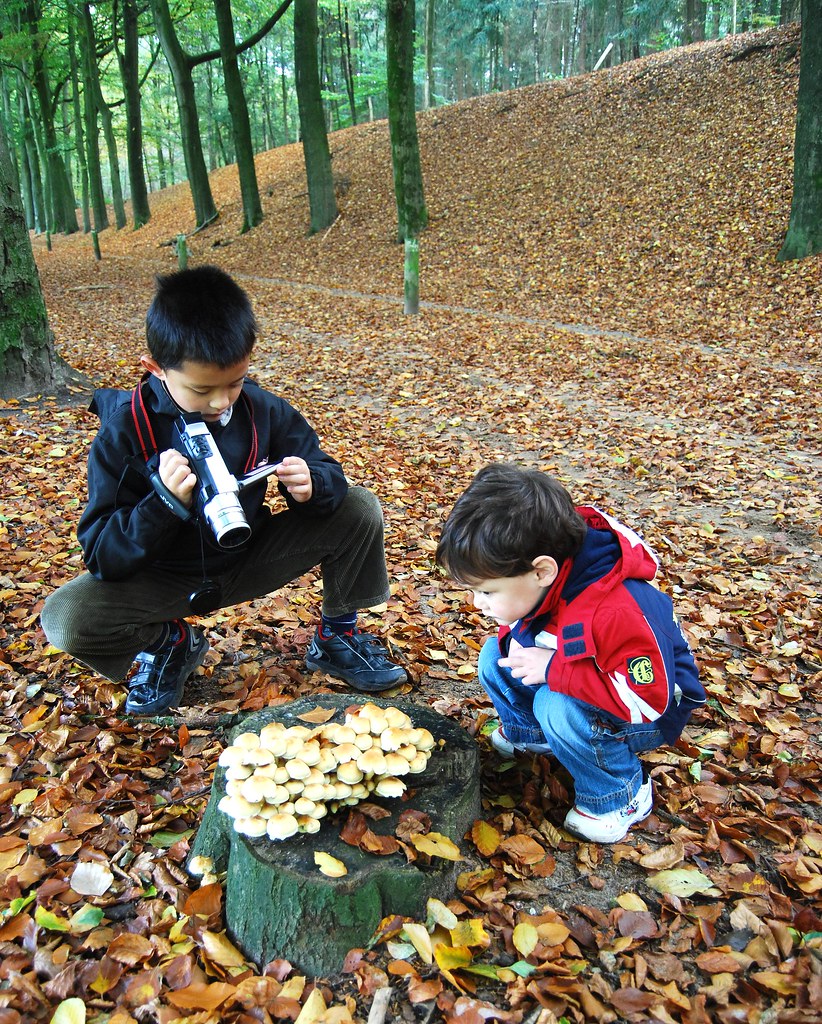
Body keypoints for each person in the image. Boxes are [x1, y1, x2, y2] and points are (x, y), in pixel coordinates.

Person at [41, 265, 406, 715]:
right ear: (155, 369)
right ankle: (171, 643)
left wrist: (312, 486)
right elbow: (101, 555)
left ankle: (337, 635)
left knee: (358, 507)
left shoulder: (261, 409)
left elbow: (325, 471)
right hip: (166, 576)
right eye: (201, 388)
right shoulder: (125, 433)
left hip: (249, 555)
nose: (221, 401)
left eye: (234, 382)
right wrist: (162, 505)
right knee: (65, 618)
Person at [435, 463, 705, 844]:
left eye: (487, 591)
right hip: (585, 676)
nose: (476, 602)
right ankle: (534, 736)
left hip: (648, 709)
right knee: (496, 654)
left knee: (554, 704)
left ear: (541, 571)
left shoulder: (615, 609)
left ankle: (620, 792)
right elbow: (529, 630)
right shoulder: (547, 577)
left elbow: (649, 699)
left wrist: (557, 671)